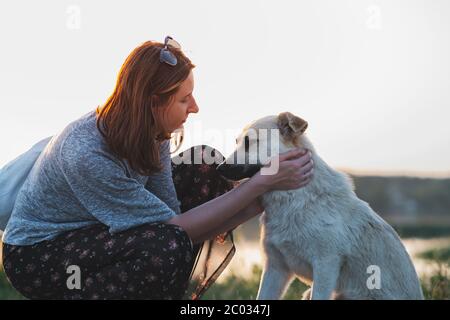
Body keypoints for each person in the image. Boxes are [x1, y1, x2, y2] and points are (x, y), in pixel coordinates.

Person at [1, 36, 314, 300]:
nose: (195, 107)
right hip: (40, 253)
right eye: (184, 99)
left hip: (96, 228)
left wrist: (260, 197)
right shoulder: (86, 153)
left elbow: (171, 211)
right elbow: (176, 228)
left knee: (205, 164)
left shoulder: (153, 131)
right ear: (153, 102)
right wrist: (258, 185)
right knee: (166, 245)